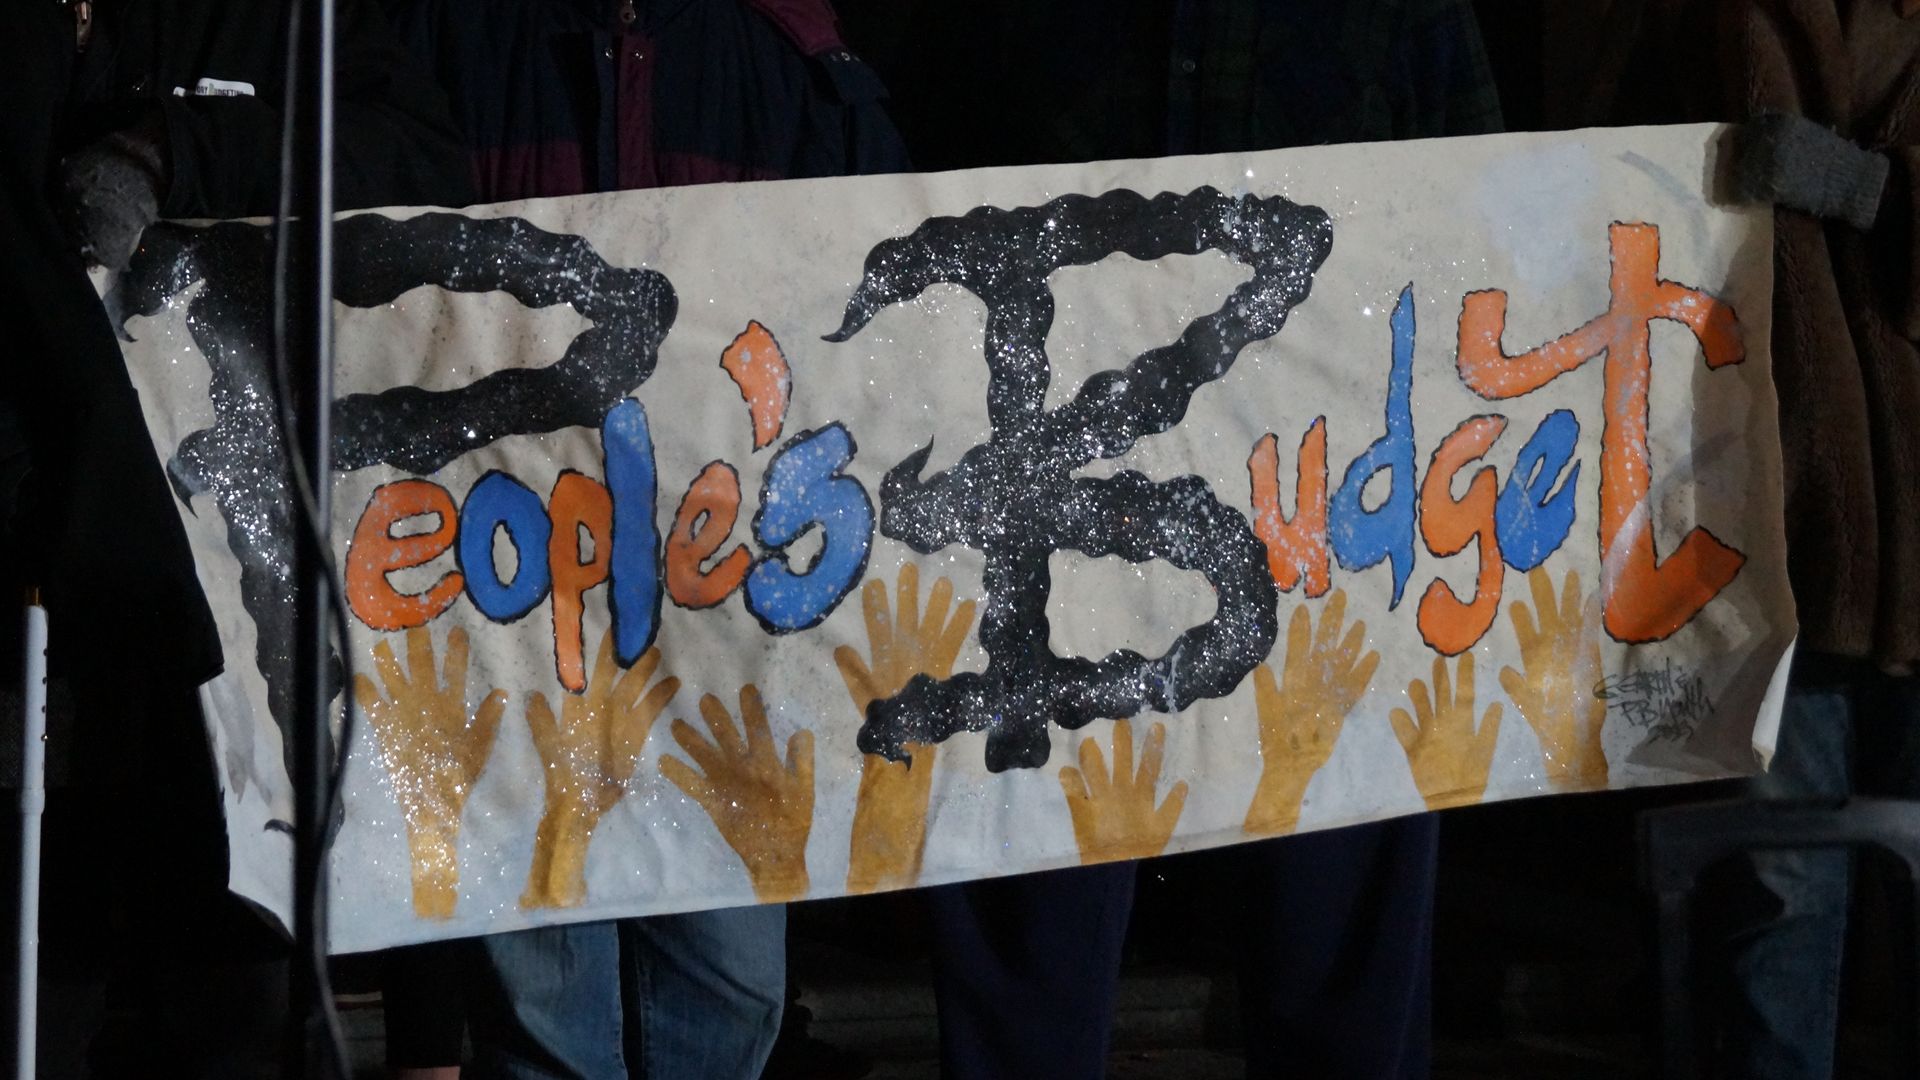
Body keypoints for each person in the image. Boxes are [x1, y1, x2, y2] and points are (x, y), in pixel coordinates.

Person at [833, 1, 1501, 1076]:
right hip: (1052, 537)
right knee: (1026, 956)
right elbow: (886, 201)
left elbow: (1490, 220)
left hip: (1325, 527)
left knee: (1344, 961)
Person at [380, 2, 910, 1076]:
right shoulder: (444, 42)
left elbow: (882, 286)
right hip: (516, 590)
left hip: (724, 609)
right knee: (542, 989)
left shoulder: (783, 51)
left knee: (729, 982)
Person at [0, 1, 469, 1077]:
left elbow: (423, 156)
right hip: (54, 603)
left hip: (238, 621)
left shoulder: (288, 22)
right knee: (37, 988)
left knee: (241, 1001)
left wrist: (177, 148)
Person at [1569, 2, 1920, 1076]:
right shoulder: (1705, 23)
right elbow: (1600, 226)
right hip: (1765, 535)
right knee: (1781, 890)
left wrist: (1873, 193)